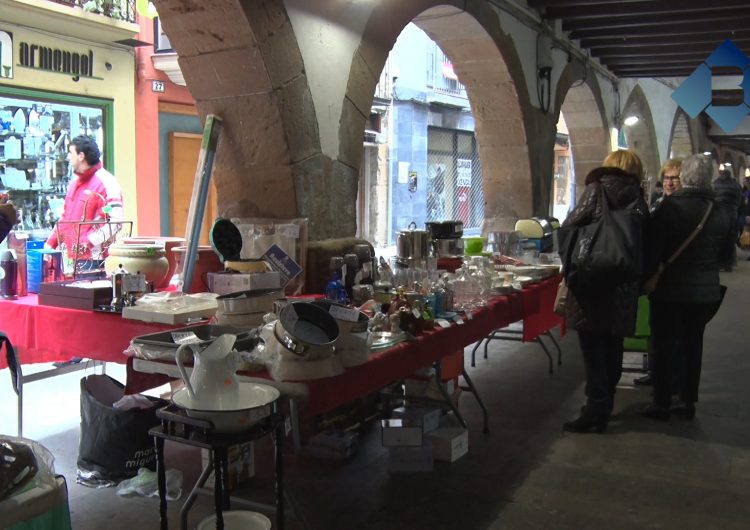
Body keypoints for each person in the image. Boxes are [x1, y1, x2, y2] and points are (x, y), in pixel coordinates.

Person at [561, 149, 649, 433]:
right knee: (613, 345)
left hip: (592, 281)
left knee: (592, 348)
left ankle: (595, 409)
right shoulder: (638, 196)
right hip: (623, 285)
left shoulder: (596, 190)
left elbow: (570, 225)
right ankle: (606, 401)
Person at [641, 154, 734, 421]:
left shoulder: (668, 208)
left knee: (663, 344)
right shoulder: (722, 210)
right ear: (710, 178)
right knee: (693, 345)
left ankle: (661, 402)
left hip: (668, 289)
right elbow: (726, 257)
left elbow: (654, 249)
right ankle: (687, 401)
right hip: (704, 290)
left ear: (684, 177)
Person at [45, 136, 123, 266]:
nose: (68, 157)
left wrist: (88, 241)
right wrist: (49, 245)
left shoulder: (107, 183)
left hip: (97, 261)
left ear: (81, 156)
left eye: (71, 153)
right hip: (74, 259)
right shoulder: (75, 185)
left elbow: (115, 221)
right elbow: (65, 219)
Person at [712, 168, 743, 271]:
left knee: (719, 239)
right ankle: (729, 264)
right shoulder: (736, 185)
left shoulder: (716, 184)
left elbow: (712, 198)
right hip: (733, 214)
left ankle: (719, 263)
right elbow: (740, 200)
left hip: (719, 214)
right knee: (730, 240)